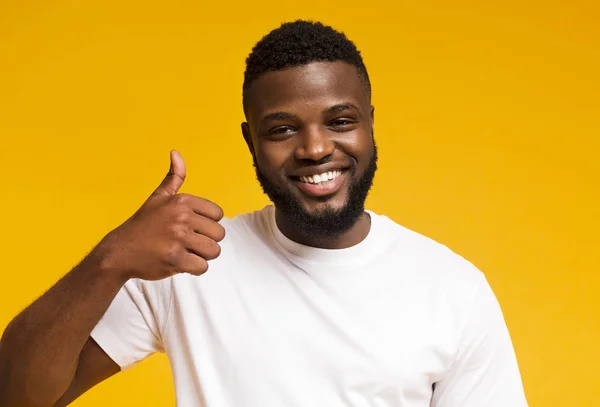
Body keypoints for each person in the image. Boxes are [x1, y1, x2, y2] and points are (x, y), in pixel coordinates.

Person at [0, 20, 528, 407]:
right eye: (282, 130)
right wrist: (109, 259)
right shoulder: (190, 263)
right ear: (251, 142)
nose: (316, 148)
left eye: (340, 120)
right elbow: (17, 394)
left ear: (370, 123)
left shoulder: (453, 289)